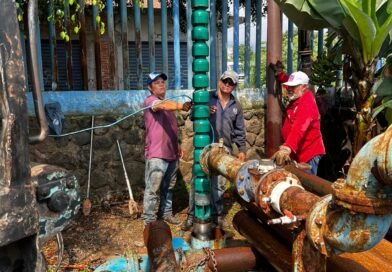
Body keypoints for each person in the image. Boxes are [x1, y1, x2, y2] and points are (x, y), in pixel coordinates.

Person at [182, 70, 246, 231]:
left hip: (223, 149)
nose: (227, 85)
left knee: (218, 184)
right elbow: (192, 115)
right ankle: (192, 216)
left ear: (234, 86)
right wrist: (204, 111)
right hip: (204, 148)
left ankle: (217, 216)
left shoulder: (236, 106)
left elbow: (239, 130)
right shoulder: (207, 97)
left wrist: (242, 149)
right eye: (225, 81)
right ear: (219, 81)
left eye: (231, 83)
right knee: (198, 180)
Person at [143, 72, 192, 225]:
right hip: (157, 154)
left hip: (171, 153)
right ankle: (149, 220)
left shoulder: (168, 106)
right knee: (153, 188)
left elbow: (171, 129)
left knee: (168, 187)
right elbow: (161, 105)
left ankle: (166, 213)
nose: (161, 84)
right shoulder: (151, 101)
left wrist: (177, 147)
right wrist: (180, 106)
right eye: (157, 83)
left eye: (163, 82)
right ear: (150, 88)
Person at [272, 71, 325, 175]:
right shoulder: (297, 98)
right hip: (298, 152)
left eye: (294, 87)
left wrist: (288, 147)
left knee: (307, 185)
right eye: (289, 87)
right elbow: (289, 84)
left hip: (309, 154)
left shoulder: (307, 103)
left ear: (304, 87)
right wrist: (282, 77)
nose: (290, 89)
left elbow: (299, 127)